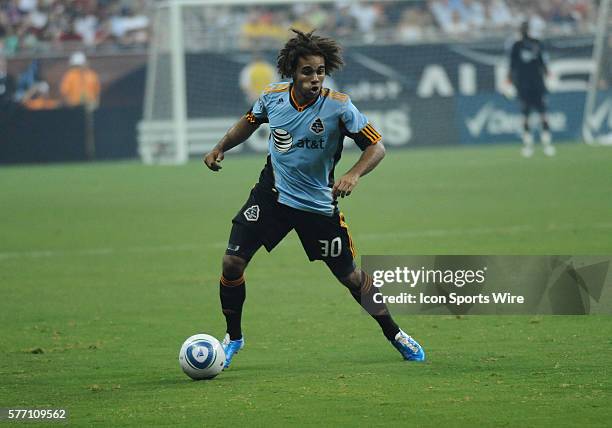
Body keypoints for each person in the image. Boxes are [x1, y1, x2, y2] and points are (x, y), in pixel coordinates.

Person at [203, 29, 425, 369]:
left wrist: (352, 174)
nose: (315, 78)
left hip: (317, 206)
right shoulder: (273, 97)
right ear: (293, 71)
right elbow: (248, 123)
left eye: (320, 71)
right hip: (272, 196)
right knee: (232, 263)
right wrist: (220, 146)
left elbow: (376, 147)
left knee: (350, 276)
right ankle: (233, 338)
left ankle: (395, 334)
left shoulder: (339, 107)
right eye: (308, 72)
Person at [508, 21, 555, 157]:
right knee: (526, 115)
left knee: (542, 114)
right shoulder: (516, 46)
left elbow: (543, 62)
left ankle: (546, 144)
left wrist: (549, 76)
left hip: (536, 84)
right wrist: (509, 82)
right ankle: (529, 145)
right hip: (524, 85)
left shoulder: (537, 44)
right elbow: (512, 66)